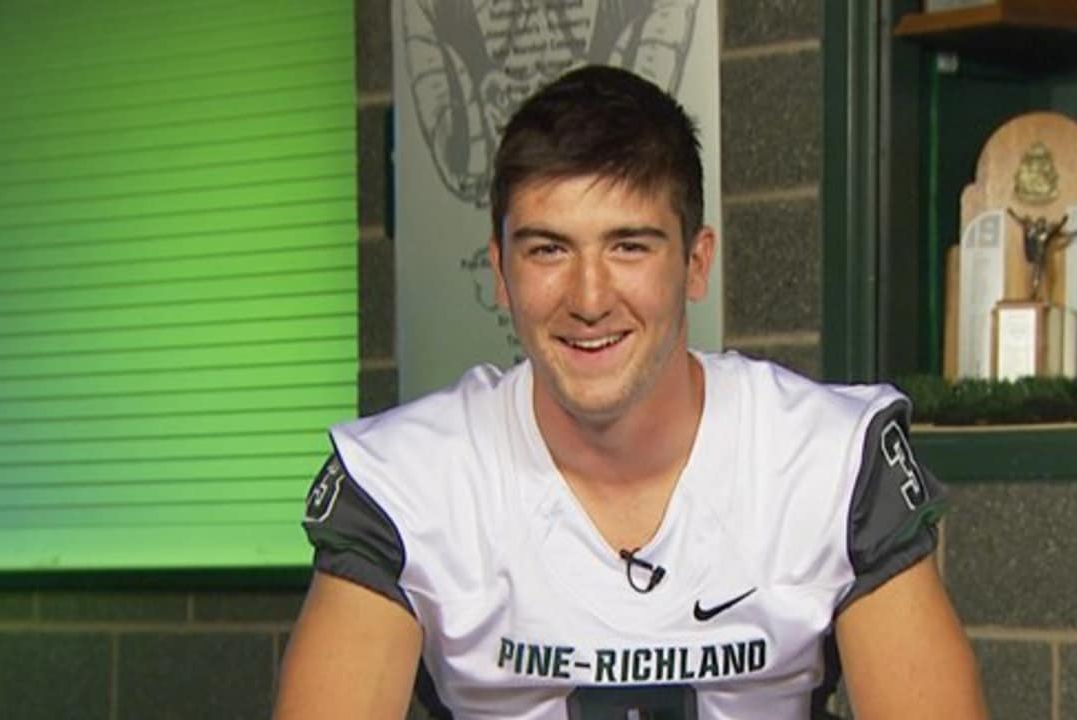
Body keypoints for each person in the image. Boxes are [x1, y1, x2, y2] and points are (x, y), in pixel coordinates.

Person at [274, 65, 987, 719]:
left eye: (630, 246)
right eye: (548, 249)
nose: (589, 299)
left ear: (696, 263)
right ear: (501, 273)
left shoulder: (828, 459)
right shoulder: (407, 479)